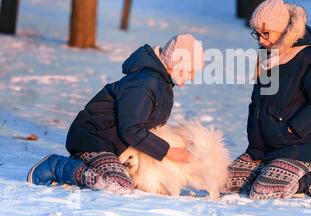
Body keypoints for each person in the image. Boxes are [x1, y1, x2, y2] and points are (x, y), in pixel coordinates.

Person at [27, 34, 204, 194]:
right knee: (119, 183)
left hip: (114, 146)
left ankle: (87, 166)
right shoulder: (145, 84)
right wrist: (167, 151)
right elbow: (131, 129)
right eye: (189, 70)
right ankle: (55, 166)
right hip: (93, 140)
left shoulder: (162, 85)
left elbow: (151, 127)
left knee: (136, 181)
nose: (192, 76)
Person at [225, 0, 311, 200]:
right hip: (262, 148)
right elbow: (260, 101)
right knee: (224, 184)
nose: (260, 40)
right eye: (257, 34)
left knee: (263, 193)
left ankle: (308, 178)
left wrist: (293, 127)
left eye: (265, 33)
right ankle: (267, 170)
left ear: (284, 30)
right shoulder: (266, 56)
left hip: (296, 146)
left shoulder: (308, 58)